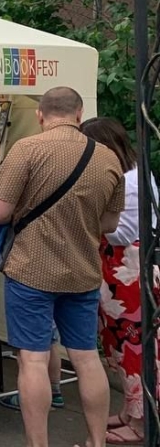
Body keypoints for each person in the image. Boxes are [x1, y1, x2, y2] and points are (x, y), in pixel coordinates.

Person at [0, 87, 124, 447]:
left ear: (40, 115)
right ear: (79, 115)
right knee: (86, 358)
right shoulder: (108, 158)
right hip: (82, 272)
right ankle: (97, 441)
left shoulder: (27, 149)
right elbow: (110, 224)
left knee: (32, 361)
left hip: (30, 269)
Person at [80, 117, 156, 444]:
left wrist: (88, 217)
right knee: (123, 344)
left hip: (128, 272)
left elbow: (123, 231)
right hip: (123, 273)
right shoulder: (135, 174)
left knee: (132, 346)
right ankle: (132, 410)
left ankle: (140, 423)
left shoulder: (129, 180)